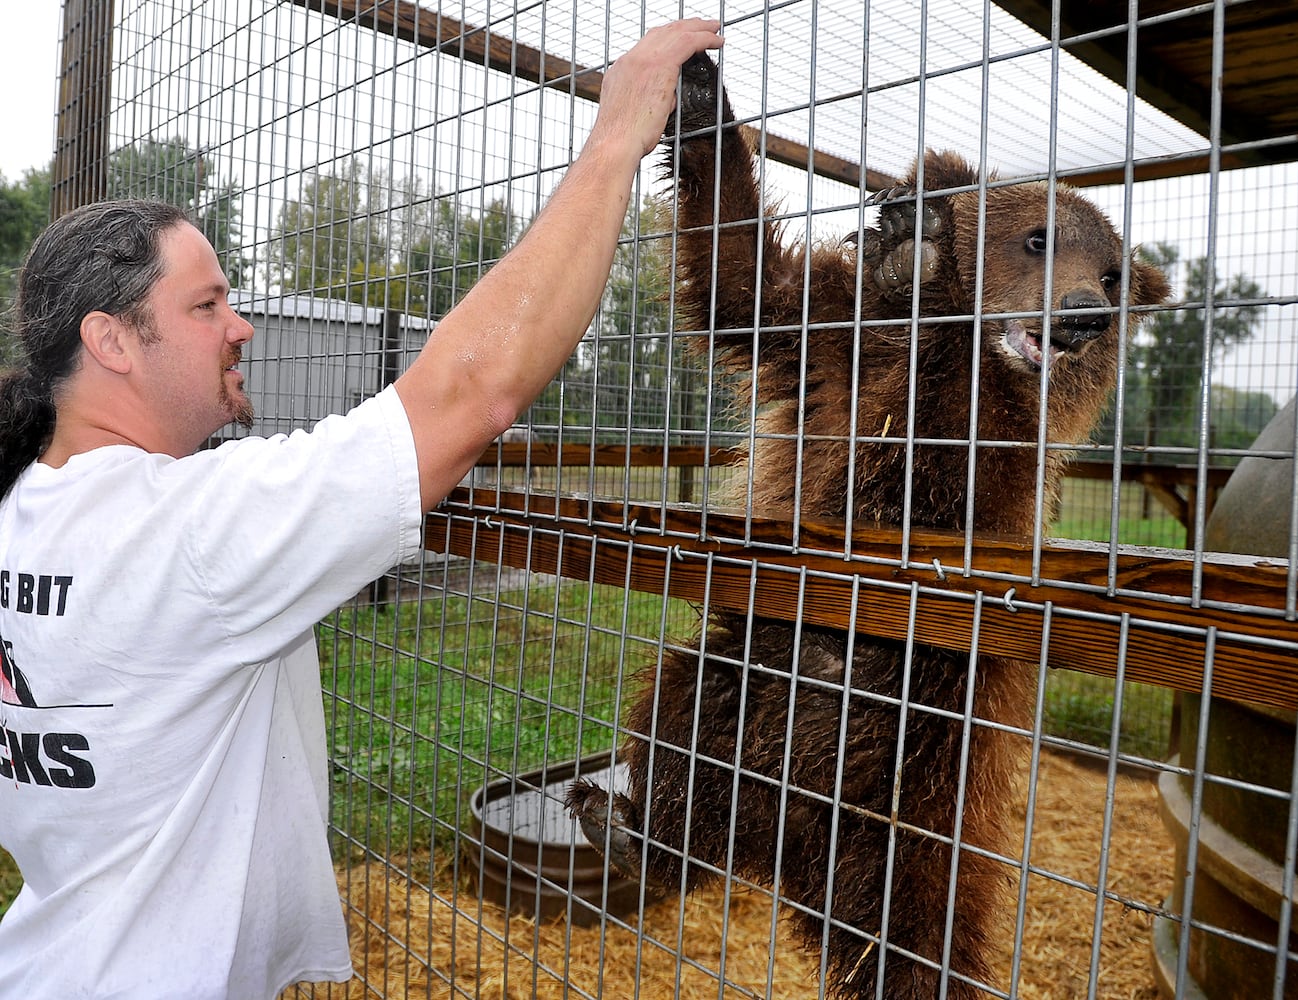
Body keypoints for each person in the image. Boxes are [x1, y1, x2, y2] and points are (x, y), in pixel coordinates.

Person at [0, 18, 723, 999]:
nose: (240, 322)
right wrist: (617, 138)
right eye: (207, 304)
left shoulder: (21, 508)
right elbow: (472, 394)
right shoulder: (183, 531)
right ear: (112, 341)